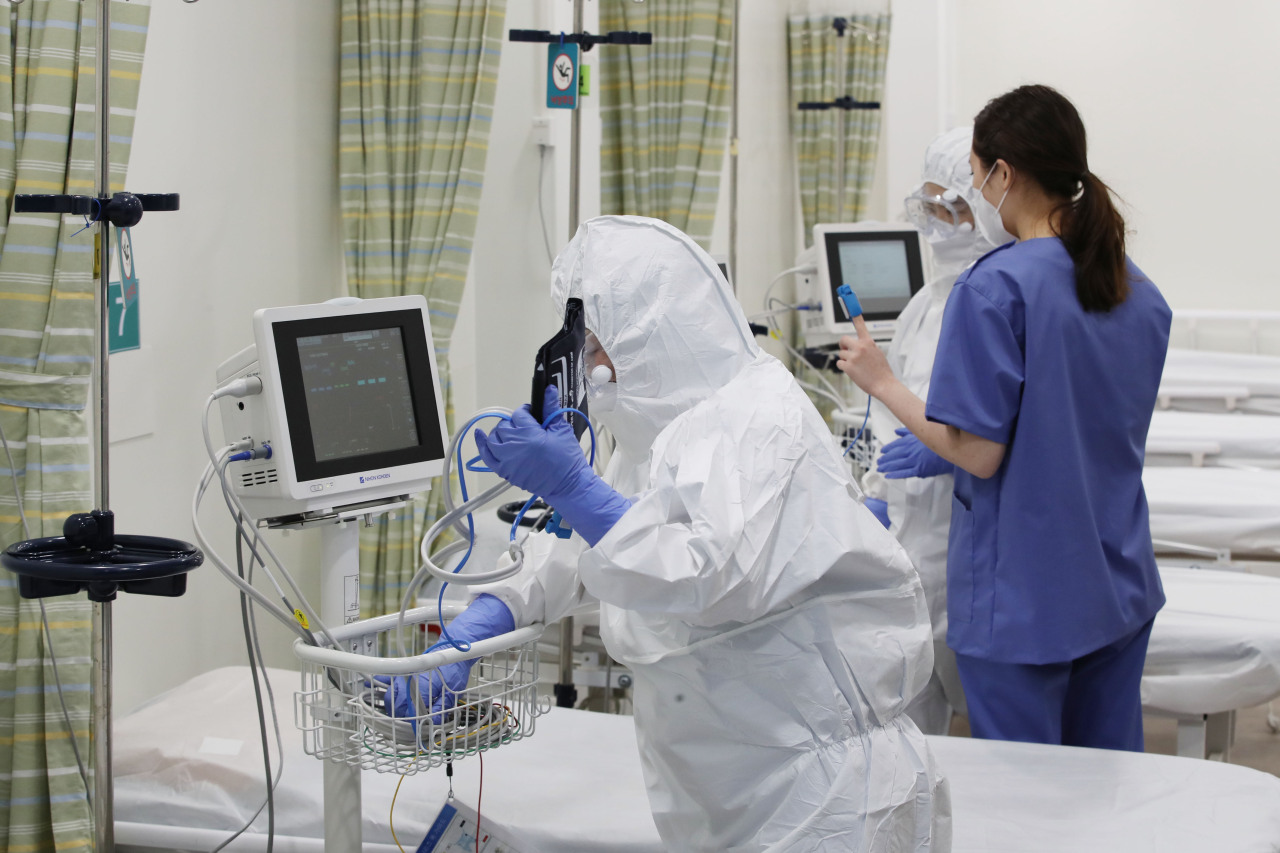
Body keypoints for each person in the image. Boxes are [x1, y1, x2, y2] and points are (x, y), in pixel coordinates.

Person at [400, 216, 950, 852]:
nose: (584, 361)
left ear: (648, 334)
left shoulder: (758, 418)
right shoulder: (658, 432)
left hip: (822, 796)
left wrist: (572, 488)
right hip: (725, 785)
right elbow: (588, 543)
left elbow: (706, 576)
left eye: (591, 340)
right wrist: (485, 619)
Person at [836, 85, 1170, 752]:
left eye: (977, 179)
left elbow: (979, 452)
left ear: (1002, 175)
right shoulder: (1136, 290)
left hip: (1026, 598)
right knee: (1110, 791)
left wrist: (883, 384)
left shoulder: (995, 286)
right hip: (1120, 584)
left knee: (1027, 806)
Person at [864, 126, 1013, 736]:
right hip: (910, 535)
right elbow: (884, 405)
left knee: (988, 711)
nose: (937, 226)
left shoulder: (1005, 291)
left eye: (950, 208)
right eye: (928, 209)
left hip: (971, 532)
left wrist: (947, 455)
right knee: (909, 707)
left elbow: (1015, 422)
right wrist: (875, 487)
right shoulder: (925, 302)